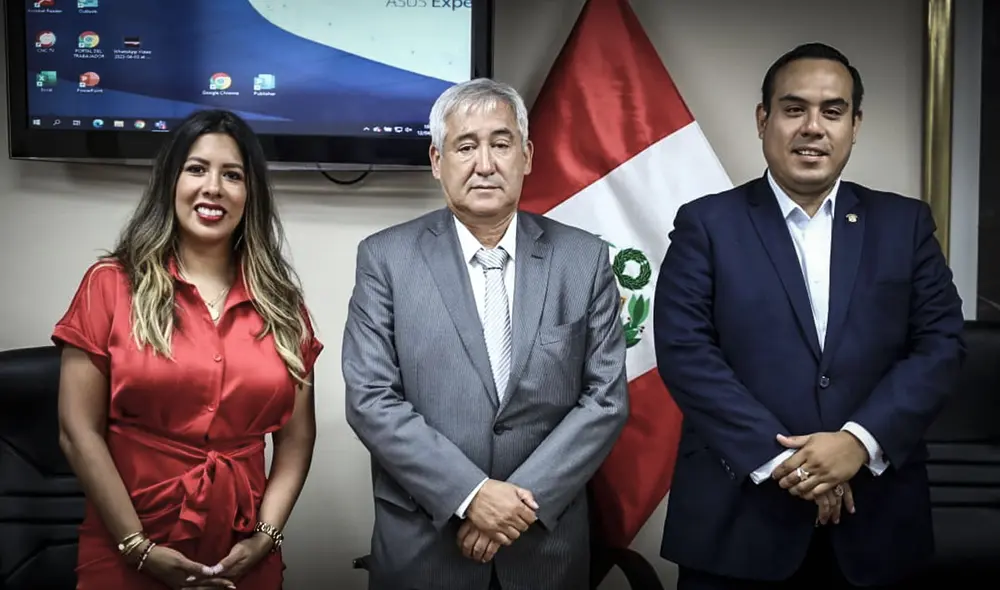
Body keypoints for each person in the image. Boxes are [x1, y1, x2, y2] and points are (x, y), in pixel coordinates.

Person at [653, 42, 965, 589]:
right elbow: (686, 354)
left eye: (832, 111)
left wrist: (858, 443)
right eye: (794, 109)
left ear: (855, 124)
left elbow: (940, 346)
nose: (812, 127)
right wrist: (789, 466)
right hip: (738, 523)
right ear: (763, 119)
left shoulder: (905, 224)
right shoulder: (707, 224)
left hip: (877, 524)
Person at [342, 77, 629, 590]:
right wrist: (471, 495)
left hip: (543, 545)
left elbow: (604, 399)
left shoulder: (583, 260)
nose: (485, 163)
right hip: (427, 546)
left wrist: (514, 504)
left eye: (501, 143)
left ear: (527, 156)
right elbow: (370, 399)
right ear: (436, 160)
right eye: (465, 146)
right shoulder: (384, 258)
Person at [53, 109, 323, 590]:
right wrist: (138, 547)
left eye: (232, 175)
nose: (213, 187)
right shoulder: (110, 284)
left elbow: (297, 439)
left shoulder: (283, 304)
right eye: (196, 169)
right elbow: (78, 431)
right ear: (170, 183)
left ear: (250, 195)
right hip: (127, 551)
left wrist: (266, 537)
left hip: (243, 559)